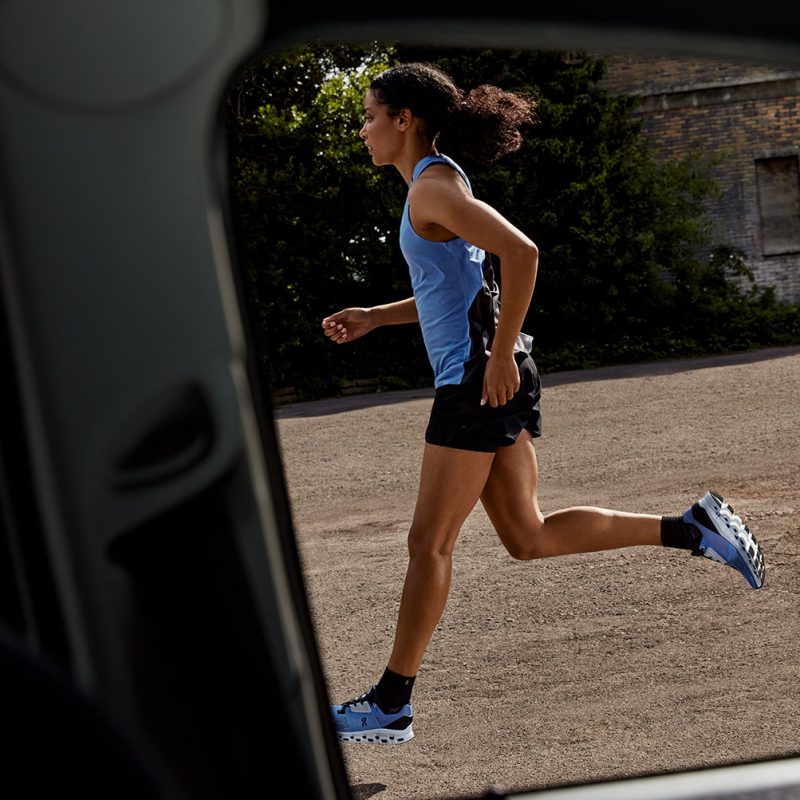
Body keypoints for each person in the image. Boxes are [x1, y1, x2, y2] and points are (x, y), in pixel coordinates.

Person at [321, 62, 765, 745]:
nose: (363, 129)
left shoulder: (434, 187)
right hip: (490, 371)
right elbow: (452, 294)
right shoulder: (433, 185)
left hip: (477, 379)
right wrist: (378, 317)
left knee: (427, 544)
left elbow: (522, 254)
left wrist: (496, 357)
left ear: (404, 119)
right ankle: (694, 528)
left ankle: (390, 703)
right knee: (526, 536)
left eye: (371, 115)